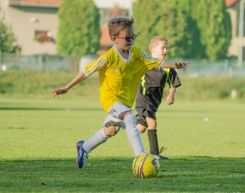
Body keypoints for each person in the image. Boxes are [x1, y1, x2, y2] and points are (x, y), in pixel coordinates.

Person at [53, 16, 186, 169]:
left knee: (110, 130)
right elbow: (85, 72)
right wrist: (67, 87)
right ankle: (140, 156)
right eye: (128, 37)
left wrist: (176, 65)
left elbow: (158, 62)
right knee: (129, 118)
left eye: (133, 36)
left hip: (125, 101)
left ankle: (84, 147)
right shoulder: (109, 57)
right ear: (114, 38)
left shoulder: (136, 53)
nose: (131, 40)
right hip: (110, 99)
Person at [135, 36, 181, 160]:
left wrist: (171, 95)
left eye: (167, 47)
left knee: (141, 128)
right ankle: (155, 154)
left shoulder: (168, 67)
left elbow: (173, 84)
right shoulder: (146, 64)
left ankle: (122, 123)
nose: (166, 50)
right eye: (163, 48)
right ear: (152, 50)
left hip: (154, 102)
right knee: (152, 122)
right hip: (144, 98)